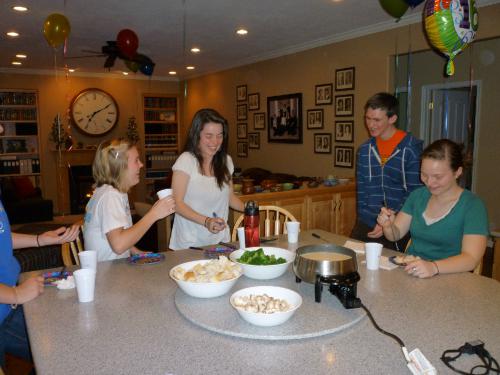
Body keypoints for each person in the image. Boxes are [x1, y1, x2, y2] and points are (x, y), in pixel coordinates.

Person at [377, 139, 489, 278]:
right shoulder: (417, 196)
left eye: (438, 176)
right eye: (424, 174)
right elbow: (396, 235)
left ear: (457, 172)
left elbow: (471, 258)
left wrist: (433, 267)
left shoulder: (472, 206)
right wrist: (388, 226)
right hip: (412, 272)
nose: (429, 182)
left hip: (452, 278)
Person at [0, 200, 79, 369]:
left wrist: (39, 240)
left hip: (10, 305)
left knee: (61, 356)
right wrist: (16, 294)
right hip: (6, 307)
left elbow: (2, 235)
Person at [83, 139, 175, 262]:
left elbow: (114, 233)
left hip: (111, 270)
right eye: (136, 160)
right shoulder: (110, 196)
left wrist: (135, 252)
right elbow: (119, 245)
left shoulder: (108, 191)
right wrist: (154, 214)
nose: (141, 165)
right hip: (106, 275)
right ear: (120, 166)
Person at [351, 92, 423, 250]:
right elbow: (362, 191)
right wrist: (367, 220)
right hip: (367, 223)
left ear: (392, 119)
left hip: (398, 225)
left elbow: (415, 192)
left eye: (377, 120)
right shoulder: (364, 150)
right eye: (368, 118)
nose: (371, 125)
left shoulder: (411, 149)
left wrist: (388, 221)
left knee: (391, 271)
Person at [170, 108, 244, 250]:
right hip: (190, 243)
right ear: (196, 135)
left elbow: (230, 198)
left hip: (220, 241)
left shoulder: (226, 161)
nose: (215, 142)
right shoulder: (186, 161)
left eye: (219, 136)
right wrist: (206, 221)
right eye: (209, 136)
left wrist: (252, 209)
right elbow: (176, 203)